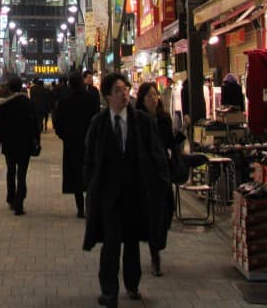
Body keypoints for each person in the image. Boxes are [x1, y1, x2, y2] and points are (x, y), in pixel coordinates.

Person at [83, 72, 170, 307]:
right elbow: (90, 160)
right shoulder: (98, 124)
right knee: (111, 244)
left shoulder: (142, 121)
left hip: (135, 192)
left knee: (131, 243)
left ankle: (132, 284)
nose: (124, 94)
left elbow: (156, 154)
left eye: (126, 89)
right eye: (118, 90)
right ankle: (109, 290)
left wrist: (160, 184)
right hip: (109, 195)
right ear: (108, 96)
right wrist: (91, 187)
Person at [134, 82, 176, 277]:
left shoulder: (164, 119)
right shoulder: (136, 121)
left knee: (166, 213)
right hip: (144, 175)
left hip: (162, 172)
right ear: (142, 99)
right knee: (152, 215)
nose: (153, 98)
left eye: (155, 95)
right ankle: (154, 256)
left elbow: (170, 143)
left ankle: (157, 243)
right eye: (149, 95)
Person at [53, 69, 99, 218]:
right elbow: (97, 119)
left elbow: (57, 123)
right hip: (89, 142)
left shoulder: (65, 101)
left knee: (76, 174)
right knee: (90, 171)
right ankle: (90, 204)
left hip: (72, 143)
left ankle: (80, 207)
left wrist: (64, 136)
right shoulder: (91, 99)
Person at [0, 75, 39, 215]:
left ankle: (11, 199)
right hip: (24, 143)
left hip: (9, 143)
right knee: (22, 174)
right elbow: (34, 125)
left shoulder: (4, 105)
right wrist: (36, 141)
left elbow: (0, 127)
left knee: (11, 171)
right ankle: (19, 202)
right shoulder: (28, 103)